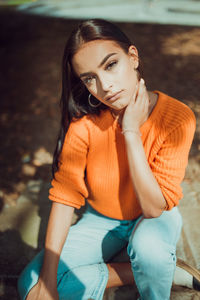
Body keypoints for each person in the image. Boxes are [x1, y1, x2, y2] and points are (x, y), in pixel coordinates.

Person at [18, 19, 198, 300]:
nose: (105, 86)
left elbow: (153, 208)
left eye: (110, 64)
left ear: (133, 57)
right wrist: (49, 281)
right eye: (89, 78)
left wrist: (130, 131)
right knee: (31, 285)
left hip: (153, 218)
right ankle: (160, 271)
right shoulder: (85, 124)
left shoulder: (177, 117)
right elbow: (65, 196)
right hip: (100, 220)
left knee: (149, 248)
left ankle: (153, 267)